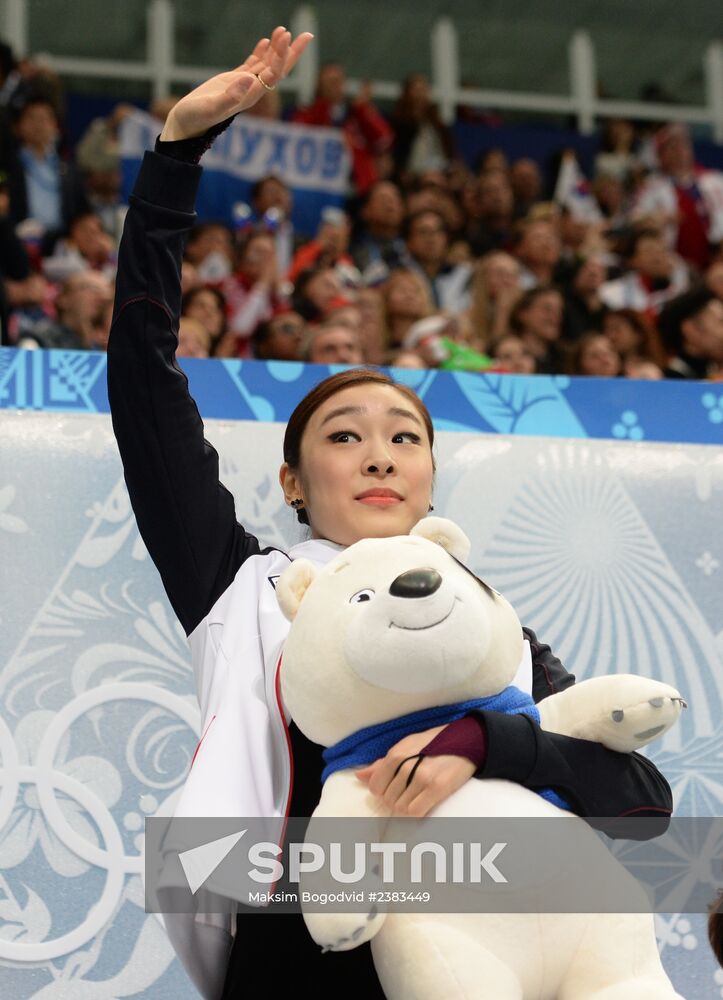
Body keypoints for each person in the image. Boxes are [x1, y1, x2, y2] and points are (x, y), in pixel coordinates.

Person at [106, 29, 673, 1000]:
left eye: (405, 437)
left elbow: (640, 804)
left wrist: (487, 742)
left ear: (430, 482)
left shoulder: (487, 632)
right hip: (303, 956)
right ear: (290, 482)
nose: (378, 452)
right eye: (343, 435)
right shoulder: (240, 586)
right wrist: (175, 156)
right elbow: (142, 384)